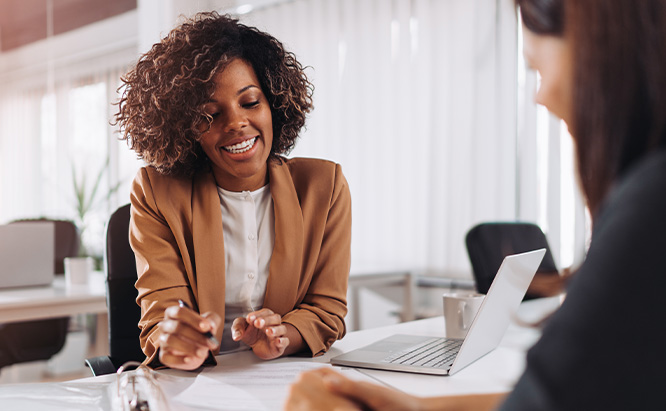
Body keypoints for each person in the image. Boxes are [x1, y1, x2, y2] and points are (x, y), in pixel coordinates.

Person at [285, 0, 666, 409]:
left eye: (537, 68)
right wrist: (416, 407)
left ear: (604, 51)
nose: (542, 95)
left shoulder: (649, 205)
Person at [115, 11, 351, 371]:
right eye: (209, 115)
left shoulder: (324, 186)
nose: (236, 123)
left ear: (273, 102)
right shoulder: (156, 191)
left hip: (282, 380)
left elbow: (326, 309)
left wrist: (282, 337)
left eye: (250, 102)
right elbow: (161, 315)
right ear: (186, 129)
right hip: (194, 387)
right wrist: (175, 340)